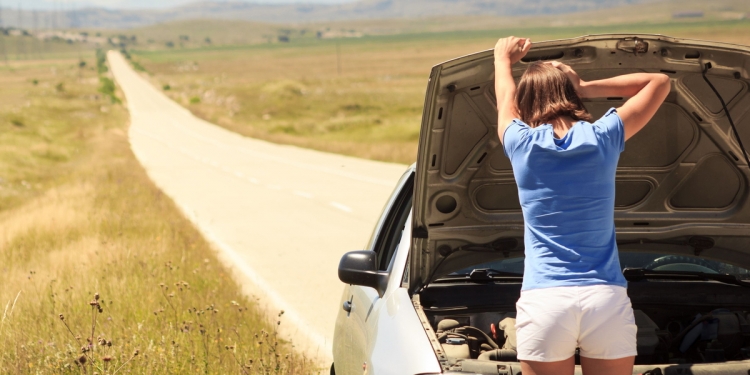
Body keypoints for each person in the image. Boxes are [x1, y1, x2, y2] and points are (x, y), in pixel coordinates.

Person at [493, 36, 670, 375]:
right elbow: (658, 82)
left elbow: (505, 100)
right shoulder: (603, 136)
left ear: (526, 103)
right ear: (570, 95)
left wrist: (502, 60)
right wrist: (584, 86)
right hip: (605, 298)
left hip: (545, 300)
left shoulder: (521, 143)